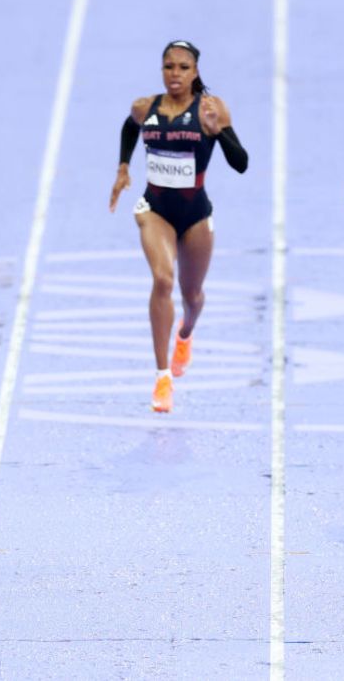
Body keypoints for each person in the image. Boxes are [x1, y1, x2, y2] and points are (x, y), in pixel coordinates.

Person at [109, 40, 249, 413]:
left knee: (193, 295)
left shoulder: (210, 109)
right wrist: (124, 166)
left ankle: (185, 333)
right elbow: (129, 127)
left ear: (196, 72)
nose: (175, 74)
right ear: (161, 70)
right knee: (162, 280)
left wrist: (217, 131)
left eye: (183, 68)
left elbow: (241, 163)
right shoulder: (145, 107)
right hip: (154, 208)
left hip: (196, 214)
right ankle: (162, 377)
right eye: (169, 67)